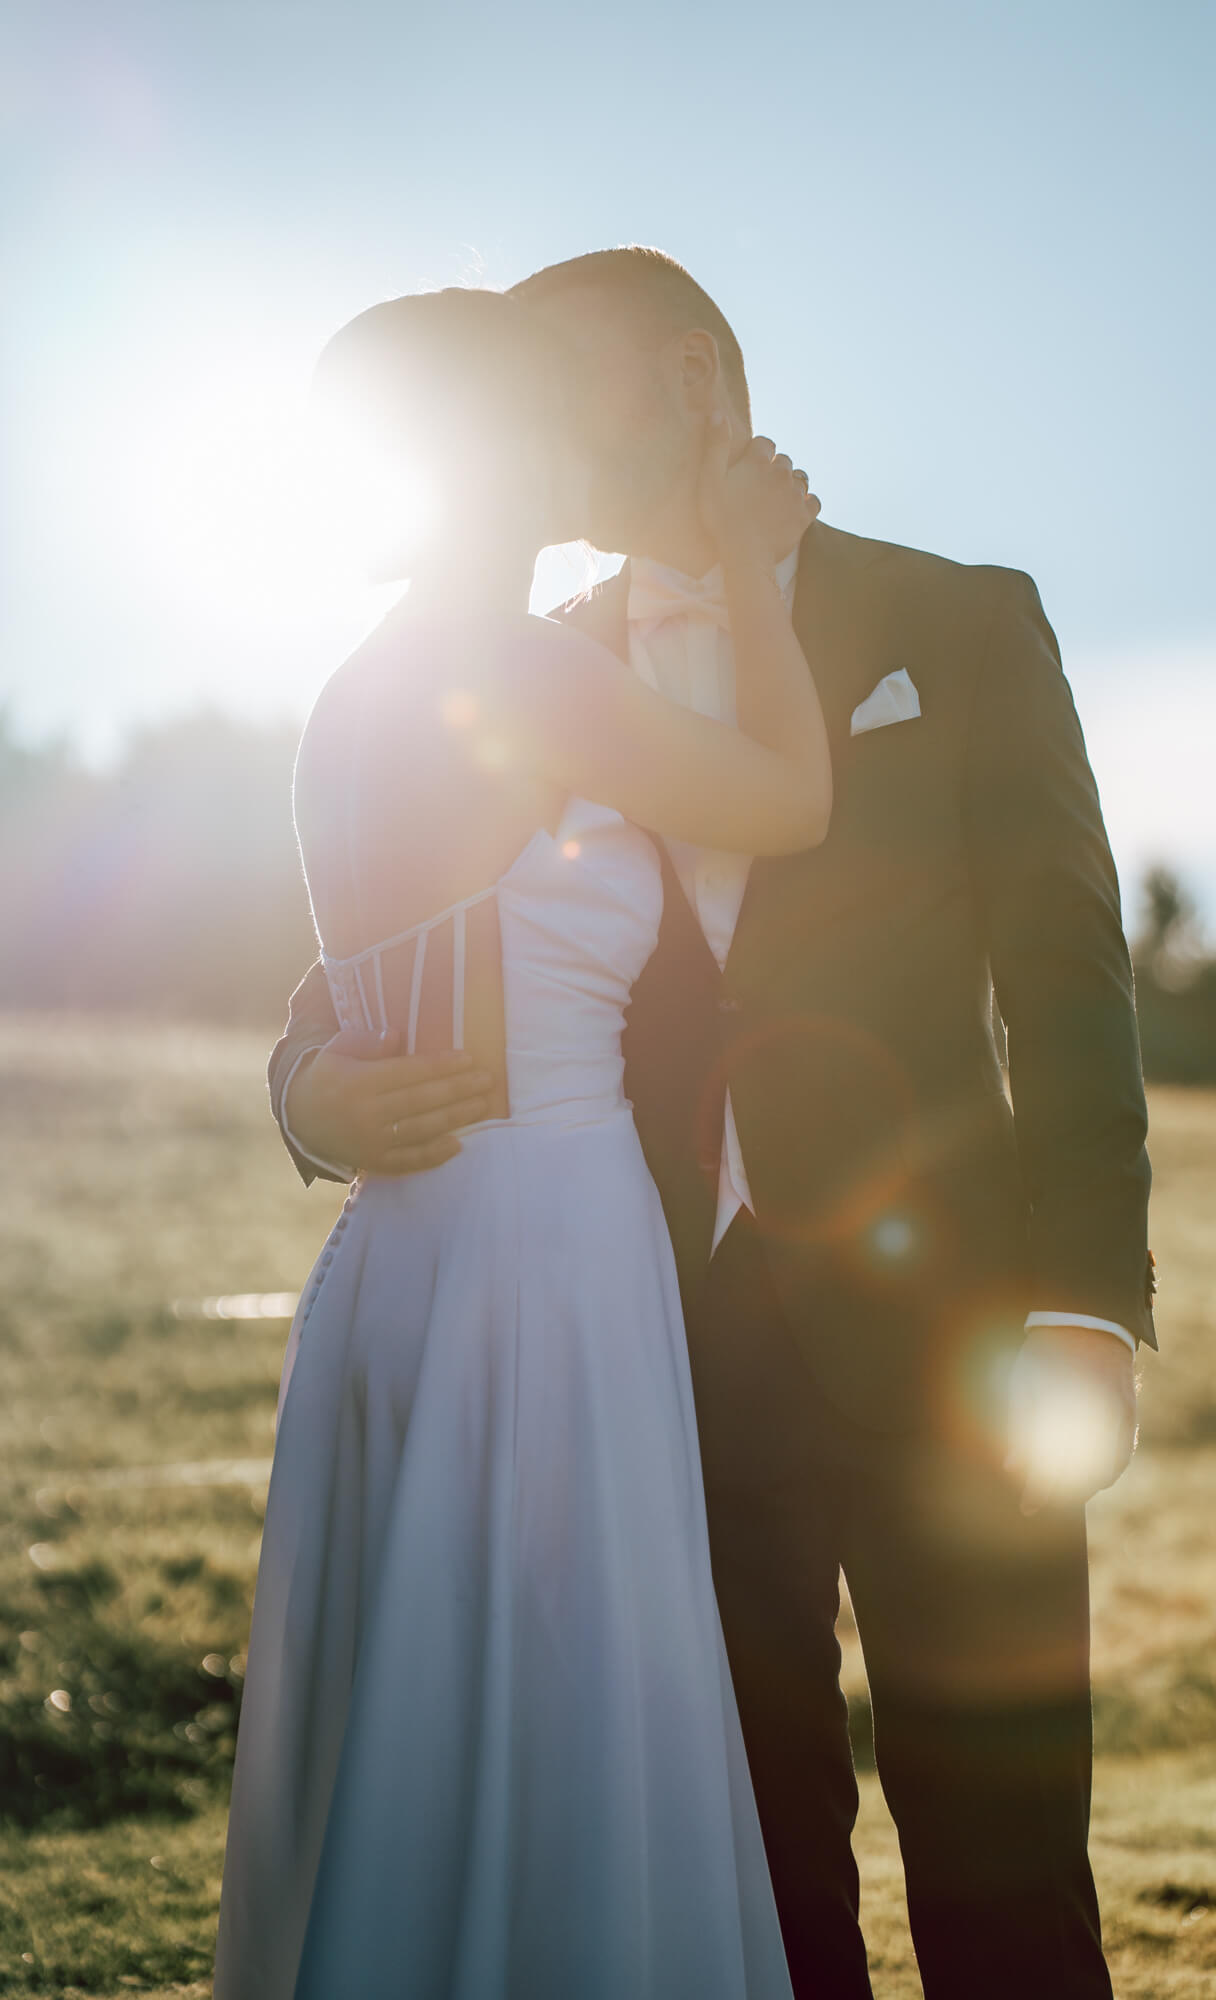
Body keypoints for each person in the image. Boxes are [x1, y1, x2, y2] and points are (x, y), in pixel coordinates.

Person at [268, 248, 1157, 2000]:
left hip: (951, 1335)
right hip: (656, 1350)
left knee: (1004, 1866)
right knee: (746, 1877)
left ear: (690, 379)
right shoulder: (524, 655)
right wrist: (307, 1089)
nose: (536, 415)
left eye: (561, 374)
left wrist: (1083, 1310)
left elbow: (1069, 982)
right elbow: (377, 921)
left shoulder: (959, 620)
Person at [214, 282, 827, 1999]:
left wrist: (302, 1093)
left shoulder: (354, 690)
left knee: (422, 1708)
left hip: (398, 1256)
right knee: (557, 1691)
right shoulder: (522, 666)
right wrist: (756, 566)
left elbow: (364, 980)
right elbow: (790, 799)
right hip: (543, 1256)